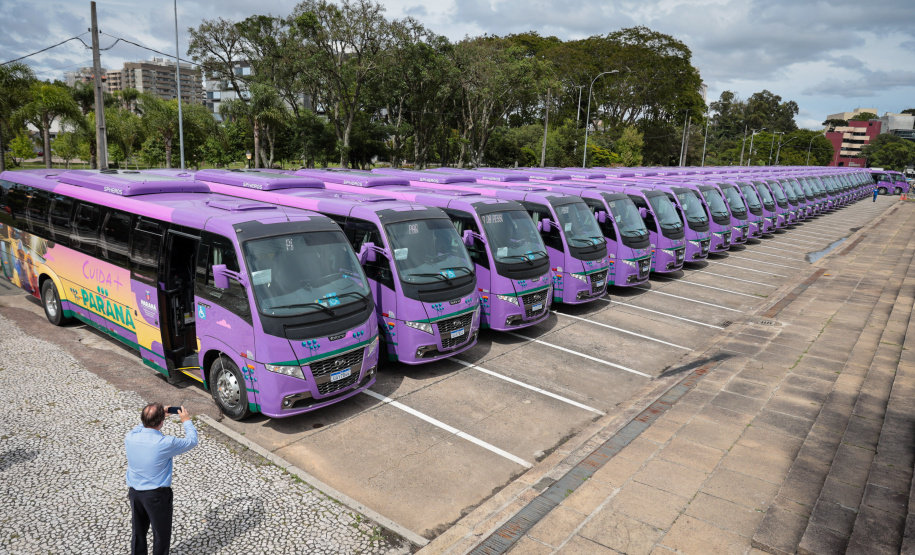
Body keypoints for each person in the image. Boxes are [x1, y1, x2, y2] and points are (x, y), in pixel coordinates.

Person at [125, 403, 198, 555]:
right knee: (161, 534)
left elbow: (141, 427)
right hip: (156, 496)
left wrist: (152, 417)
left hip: (135, 494)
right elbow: (192, 441)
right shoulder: (165, 443)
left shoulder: (130, 437)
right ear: (161, 422)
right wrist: (186, 421)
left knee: (138, 532)